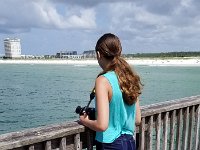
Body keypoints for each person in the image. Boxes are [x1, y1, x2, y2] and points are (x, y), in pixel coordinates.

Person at [79, 33, 142, 150]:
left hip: (110, 145)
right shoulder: (129, 78)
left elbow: (102, 125)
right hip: (129, 143)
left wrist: (85, 121)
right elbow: (137, 119)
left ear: (98, 54)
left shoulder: (103, 81)